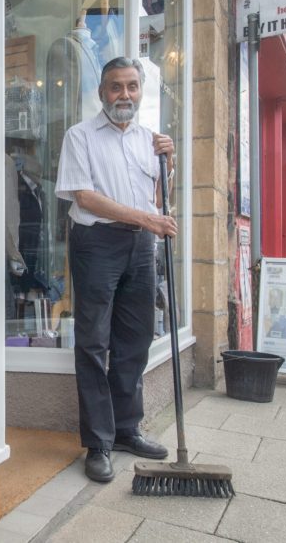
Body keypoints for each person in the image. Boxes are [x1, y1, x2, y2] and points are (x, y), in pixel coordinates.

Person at [55, 56, 176, 483]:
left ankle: (126, 429)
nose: (124, 95)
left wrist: (170, 164)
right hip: (97, 243)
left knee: (135, 340)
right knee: (93, 342)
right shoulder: (80, 135)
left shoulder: (151, 139)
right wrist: (148, 220)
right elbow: (84, 198)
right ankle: (98, 442)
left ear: (140, 90)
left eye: (131, 86)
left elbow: (156, 197)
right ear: (102, 91)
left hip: (141, 246)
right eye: (115, 87)